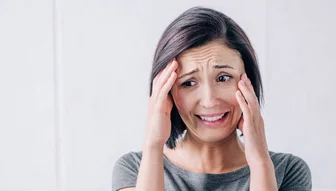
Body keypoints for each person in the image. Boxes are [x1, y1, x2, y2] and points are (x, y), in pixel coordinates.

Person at [112, 7, 312, 191]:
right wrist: (153, 145)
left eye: (223, 78)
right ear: (167, 93)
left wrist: (260, 162)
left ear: (248, 81)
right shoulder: (135, 170)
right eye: (188, 83)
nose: (209, 101)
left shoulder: (287, 172)